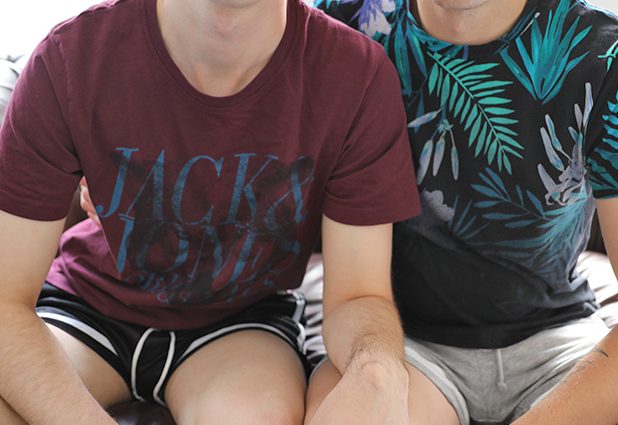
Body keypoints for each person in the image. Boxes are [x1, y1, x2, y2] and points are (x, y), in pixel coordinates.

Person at [297, 0, 618, 424]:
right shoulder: (347, 25)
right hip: (397, 343)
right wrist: (375, 372)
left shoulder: (607, 55)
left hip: (558, 341)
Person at [0, 0, 420, 424]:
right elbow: (5, 300)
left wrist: (378, 372)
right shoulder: (69, 57)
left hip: (240, 325)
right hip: (86, 306)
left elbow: (358, 295)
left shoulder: (355, 76)